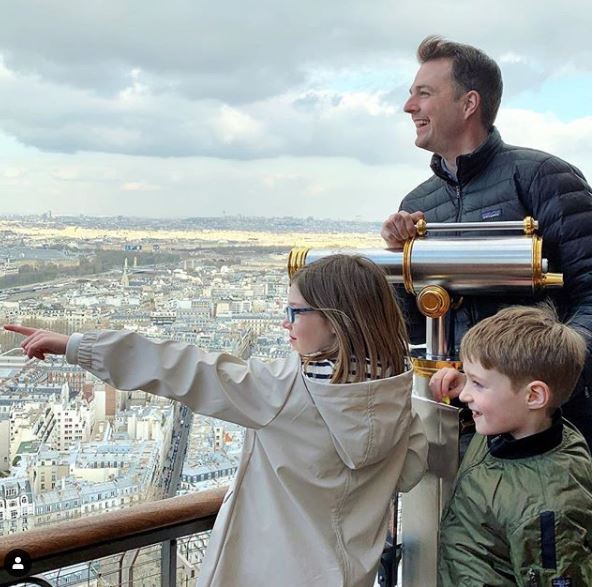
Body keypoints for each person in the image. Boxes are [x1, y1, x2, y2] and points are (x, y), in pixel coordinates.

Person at [6, 254, 428, 587]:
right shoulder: (396, 398)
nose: (285, 321)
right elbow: (409, 472)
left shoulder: (282, 391)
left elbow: (184, 368)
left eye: (296, 311)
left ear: (335, 325)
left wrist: (78, 346)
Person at [381, 35, 592, 446]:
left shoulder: (543, 179)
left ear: (468, 103)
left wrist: (535, 379)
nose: (409, 107)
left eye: (423, 94)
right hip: (452, 425)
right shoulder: (419, 203)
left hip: (542, 431)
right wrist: (400, 264)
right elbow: (411, 324)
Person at [429, 305, 591, 586]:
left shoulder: (548, 512)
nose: (467, 393)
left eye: (478, 384)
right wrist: (466, 385)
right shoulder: (517, 427)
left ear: (534, 396)